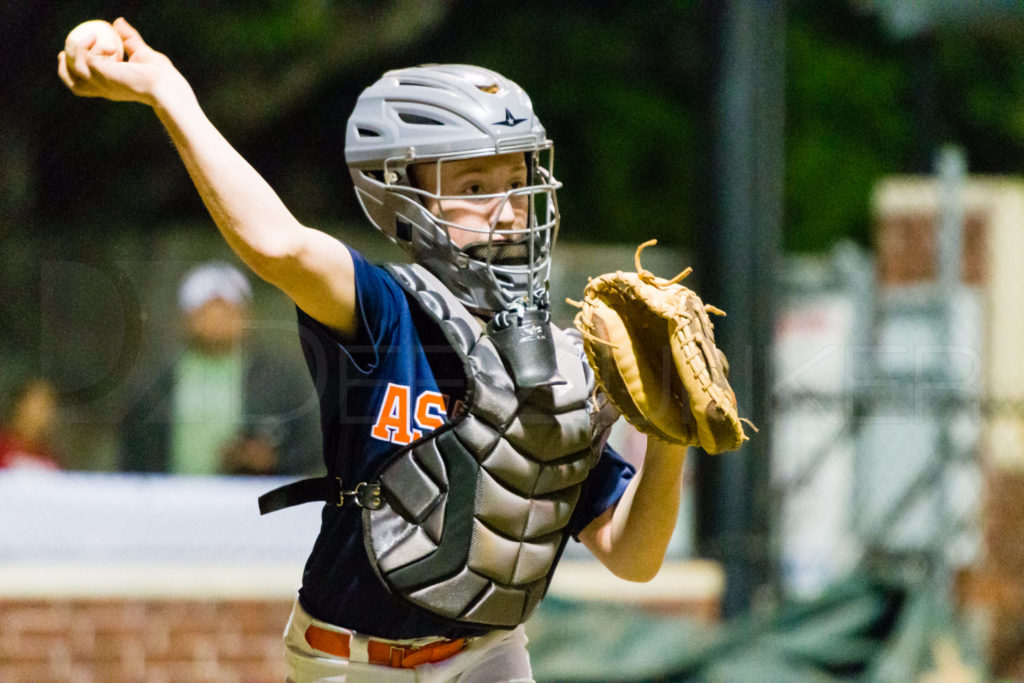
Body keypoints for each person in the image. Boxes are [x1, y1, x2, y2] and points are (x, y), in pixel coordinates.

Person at [59, 18, 690, 682]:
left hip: (489, 656)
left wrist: (670, 441)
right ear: (403, 200)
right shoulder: (385, 309)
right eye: (476, 188)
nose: (508, 209)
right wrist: (168, 90)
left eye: (518, 179)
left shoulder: (563, 360)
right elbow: (280, 245)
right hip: (349, 662)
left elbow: (632, 556)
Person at [119, 260, 322, 476]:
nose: (217, 318)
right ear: (184, 318)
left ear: (247, 315)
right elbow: (132, 449)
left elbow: (312, 446)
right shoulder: (155, 382)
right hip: (170, 501)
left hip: (252, 502)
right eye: (206, 309)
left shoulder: (280, 378)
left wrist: (271, 460)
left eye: (227, 308)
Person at [0, 377, 61, 470]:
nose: (45, 411)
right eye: (39, 404)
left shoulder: (47, 454)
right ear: (20, 404)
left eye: (49, 404)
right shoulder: (3, 445)